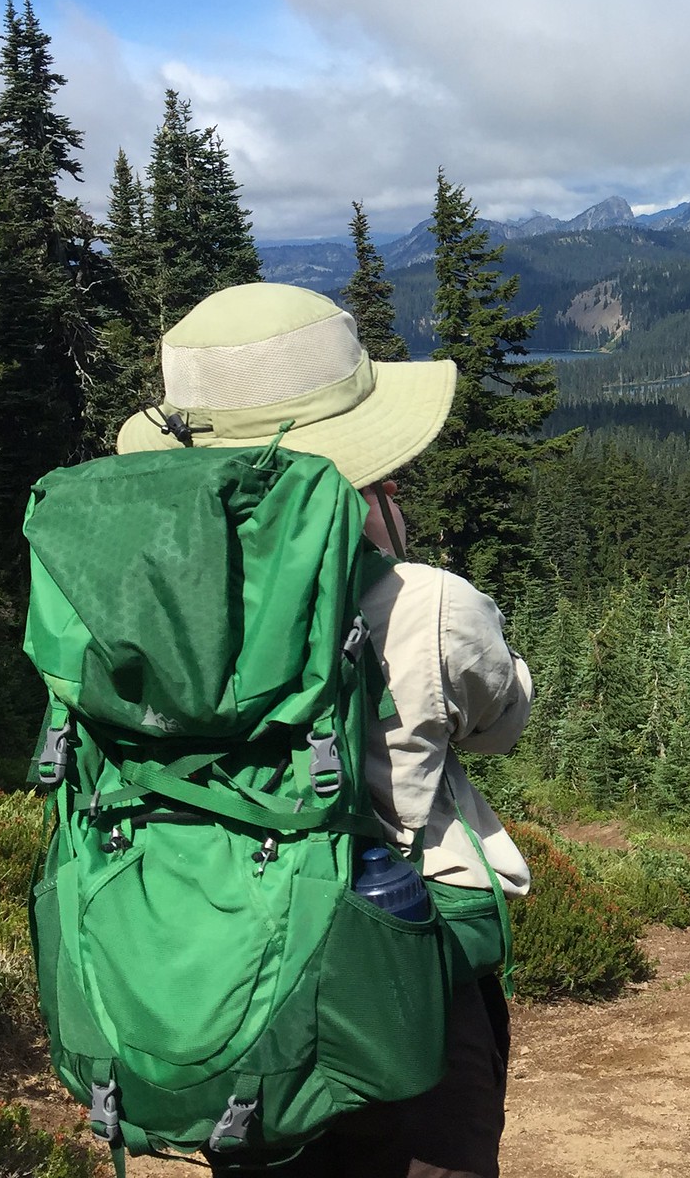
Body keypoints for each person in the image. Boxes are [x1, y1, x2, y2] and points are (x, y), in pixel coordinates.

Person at [116, 281, 532, 1178]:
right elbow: (501, 725)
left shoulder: (138, 616)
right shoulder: (424, 606)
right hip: (403, 961)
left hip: (226, 969)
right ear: (363, 468)